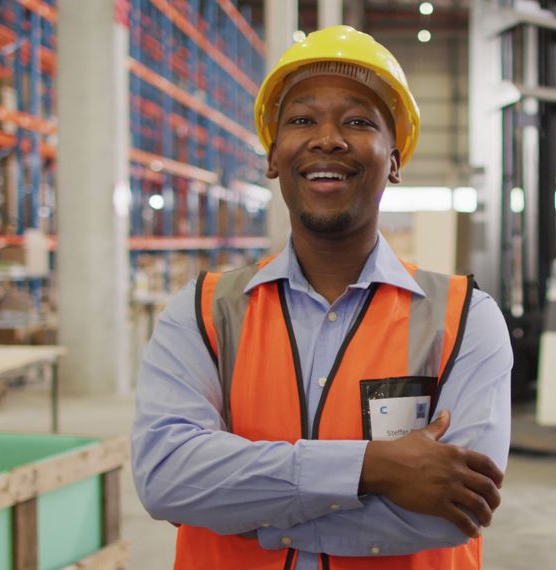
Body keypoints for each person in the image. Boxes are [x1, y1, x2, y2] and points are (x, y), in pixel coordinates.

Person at [131, 26, 512, 569]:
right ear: (273, 156)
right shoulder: (204, 312)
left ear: (395, 161)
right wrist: (372, 468)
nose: (327, 138)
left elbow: (451, 512)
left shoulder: (465, 319)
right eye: (302, 120)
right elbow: (166, 478)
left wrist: (246, 511)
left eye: (358, 121)